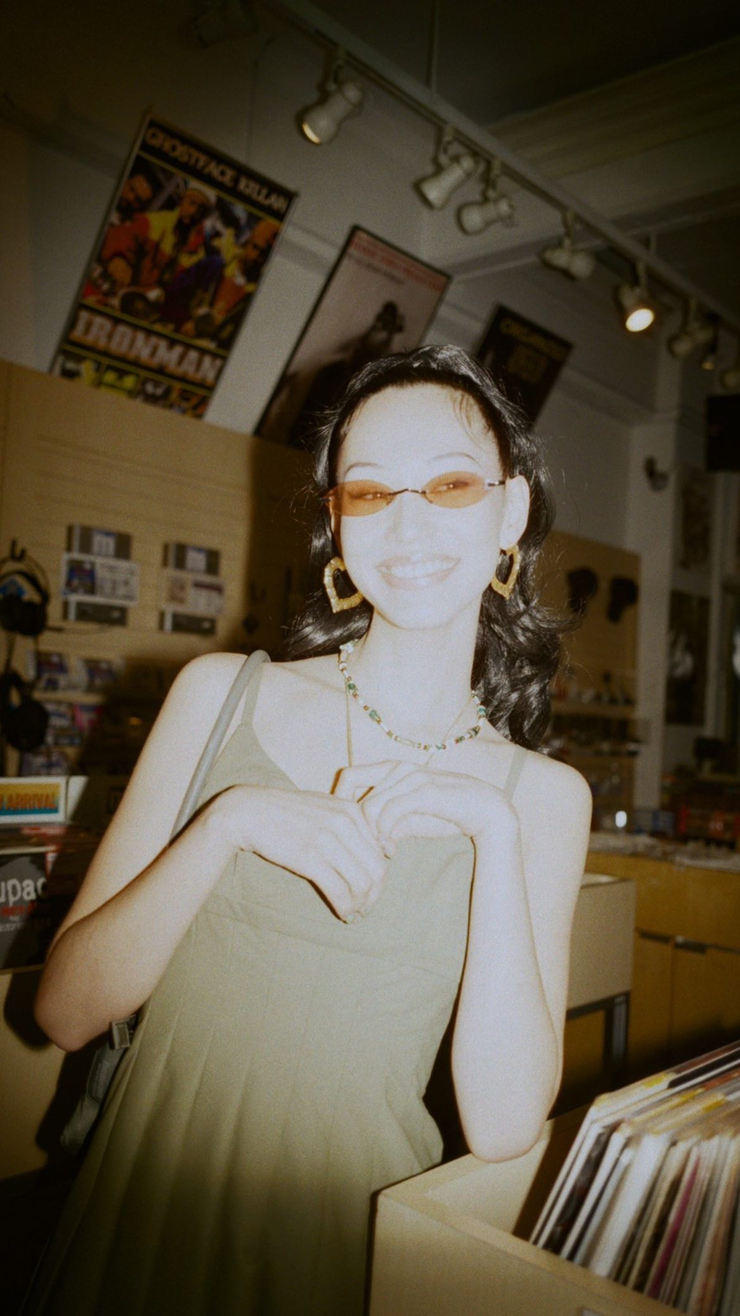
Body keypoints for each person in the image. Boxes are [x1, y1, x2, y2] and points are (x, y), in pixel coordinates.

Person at [29, 345, 591, 1316]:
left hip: (342, 1251)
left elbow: (503, 1126)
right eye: (368, 491)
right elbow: (65, 1012)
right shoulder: (219, 696)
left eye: (449, 484)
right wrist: (227, 823)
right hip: (140, 1218)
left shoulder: (539, 799)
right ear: (337, 521)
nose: (406, 522)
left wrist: (493, 836)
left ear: (510, 512)